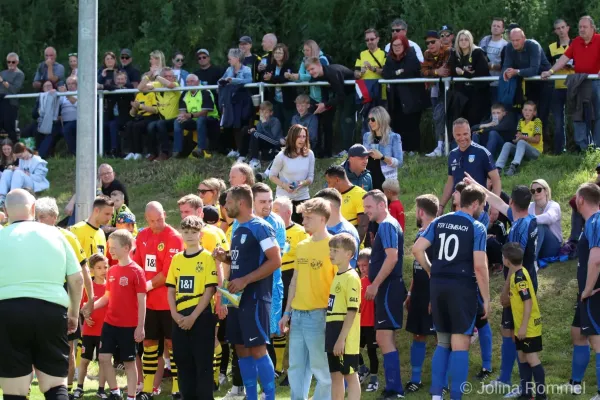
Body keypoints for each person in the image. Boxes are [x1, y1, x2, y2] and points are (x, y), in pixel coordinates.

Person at [0, 189, 83, 400]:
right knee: (56, 386)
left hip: (8, 312)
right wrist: (73, 314)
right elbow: (77, 279)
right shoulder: (57, 235)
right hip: (51, 311)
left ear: (6, 211)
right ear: (34, 209)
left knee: (14, 390)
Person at [412, 184, 489, 400]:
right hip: (461, 288)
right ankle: (456, 396)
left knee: (443, 342)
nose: (482, 209)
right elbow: (480, 266)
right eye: (482, 205)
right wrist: (487, 298)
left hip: (438, 286)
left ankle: (437, 396)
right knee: (460, 345)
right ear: (474, 203)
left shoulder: (438, 221)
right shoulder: (477, 227)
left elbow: (417, 249)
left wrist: (430, 271)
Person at [467, 178, 538, 396]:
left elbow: (514, 265)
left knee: (517, 333)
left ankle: (522, 385)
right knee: (508, 330)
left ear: (514, 203)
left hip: (517, 282)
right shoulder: (530, 219)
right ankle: (506, 379)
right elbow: (499, 203)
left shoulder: (517, 228)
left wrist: (506, 289)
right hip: (527, 278)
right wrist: (478, 186)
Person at [213, 185, 281, 400]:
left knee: (257, 348)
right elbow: (243, 261)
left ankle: (269, 397)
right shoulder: (237, 228)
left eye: (229, 203)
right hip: (236, 299)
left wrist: (245, 280)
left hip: (255, 298)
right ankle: (251, 396)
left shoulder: (260, 227)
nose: (225, 207)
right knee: (241, 347)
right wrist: (225, 257)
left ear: (241, 203)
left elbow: (275, 260)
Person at [278, 198, 333, 400]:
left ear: (322, 218)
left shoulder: (334, 245)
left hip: (320, 314)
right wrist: (287, 313)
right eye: (303, 217)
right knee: (296, 367)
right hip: (298, 316)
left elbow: (339, 283)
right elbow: (294, 281)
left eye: (308, 217)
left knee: (321, 368)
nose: (304, 221)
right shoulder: (301, 245)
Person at [133, 202, 184, 399]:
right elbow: (137, 265)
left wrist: (144, 287)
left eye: (160, 219)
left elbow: (167, 273)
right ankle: (147, 388)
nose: (156, 224)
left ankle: (177, 388)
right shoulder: (143, 235)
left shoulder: (174, 238)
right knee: (149, 343)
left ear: (165, 214)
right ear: (146, 219)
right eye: (152, 221)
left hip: (168, 302)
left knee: (172, 344)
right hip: (148, 304)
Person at [166, 216, 217, 400]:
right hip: (179, 317)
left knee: (202, 363)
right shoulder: (177, 259)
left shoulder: (207, 257)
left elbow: (209, 290)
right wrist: (174, 314)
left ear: (200, 234)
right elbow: (171, 289)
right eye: (186, 232)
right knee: (182, 361)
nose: (189, 236)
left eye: (193, 232)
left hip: (200, 316)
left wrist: (193, 317)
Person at [362, 190, 406, 399]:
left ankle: (394, 389)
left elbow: (392, 257)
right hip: (388, 288)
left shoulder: (387, 224)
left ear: (382, 205)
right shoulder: (386, 225)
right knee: (385, 337)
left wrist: (375, 284)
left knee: (384, 337)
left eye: (369, 207)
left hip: (388, 288)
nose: (366, 211)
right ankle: (393, 387)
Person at [95, 229, 146, 400]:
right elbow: (107, 297)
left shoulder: (136, 271)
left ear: (126, 248)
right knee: (103, 357)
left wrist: (140, 326)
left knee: (129, 363)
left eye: (114, 247)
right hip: (110, 323)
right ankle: (115, 392)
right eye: (110, 247)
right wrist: (91, 307)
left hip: (129, 326)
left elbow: (142, 301)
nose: (111, 251)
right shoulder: (113, 270)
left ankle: (131, 396)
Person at [542, 16, 600, 151]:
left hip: (596, 82)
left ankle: (598, 149)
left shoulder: (599, 39)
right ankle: (584, 148)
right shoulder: (576, 42)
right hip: (579, 83)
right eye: (580, 27)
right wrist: (550, 71)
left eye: (584, 27)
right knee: (579, 114)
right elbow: (564, 58)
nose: (581, 29)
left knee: (597, 115)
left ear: (592, 28)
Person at [502, 243, 546, 400]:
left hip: (528, 327)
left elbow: (527, 302)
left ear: (506, 261)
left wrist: (522, 328)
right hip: (522, 326)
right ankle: (527, 394)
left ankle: (542, 396)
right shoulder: (518, 273)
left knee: (531, 358)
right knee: (521, 357)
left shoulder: (520, 277)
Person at [567, 183, 600, 395]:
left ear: (580, 200)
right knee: (578, 333)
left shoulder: (595, 222)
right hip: (586, 293)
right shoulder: (592, 222)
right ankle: (575, 383)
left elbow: (596, 260)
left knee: (598, 342)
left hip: (593, 292)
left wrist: (587, 290)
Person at [272, 196, 309, 384]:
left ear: (288, 213)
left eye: (276, 210)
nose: (272, 214)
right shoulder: (270, 230)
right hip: (274, 277)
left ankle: (294, 369)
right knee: (277, 321)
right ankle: (277, 367)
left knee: (294, 324)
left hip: (292, 277)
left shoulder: (300, 232)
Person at [404, 195, 438, 393]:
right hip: (418, 293)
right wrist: (410, 291)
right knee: (418, 335)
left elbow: (436, 270)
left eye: (416, 209)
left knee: (438, 338)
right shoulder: (421, 234)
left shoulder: (436, 235)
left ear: (421, 212)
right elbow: (418, 268)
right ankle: (415, 379)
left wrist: (434, 297)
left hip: (432, 294)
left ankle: (441, 381)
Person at [439, 118, 501, 216]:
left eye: (465, 134)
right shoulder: (452, 155)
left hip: (477, 209)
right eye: (458, 135)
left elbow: (496, 179)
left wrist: (495, 206)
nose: (462, 138)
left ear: (470, 133)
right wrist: (441, 206)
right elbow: (450, 182)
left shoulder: (482, 153)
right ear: (453, 135)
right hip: (457, 209)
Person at [327, 233, 362, 400]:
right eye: (330, 250)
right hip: (332, 328)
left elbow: (352, 310)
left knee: (349, 374)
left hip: (345, 333)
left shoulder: (351, 277)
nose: (331, 253)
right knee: (335, 375)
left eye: (335, 250)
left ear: (348, 254)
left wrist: (342, 338)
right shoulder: (337, 275)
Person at [382, 33, 426, 155]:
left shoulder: (411, 54)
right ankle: (402, 150)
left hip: (412, 98)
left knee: (411, 124)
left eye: (399, 44)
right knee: (398, 124)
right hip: (396, 99)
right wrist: (399, 72)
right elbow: (386, 74)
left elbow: (411, 70)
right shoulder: (390, 57)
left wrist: (396, 73)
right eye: (394, 45)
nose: (397, 47)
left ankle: (414, 150)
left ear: (404, 44)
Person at [305, 57, 356, 157]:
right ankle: (343, 149)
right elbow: (325, 93)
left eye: (312, 69)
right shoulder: (319, 75)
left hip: (352, 93)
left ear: (319, 65)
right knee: (338, 122)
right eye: (308, 70)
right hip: (343, 94)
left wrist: (325, 105)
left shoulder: (332, 73)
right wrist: (324, 104)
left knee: (345, 121)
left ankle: (349, 150)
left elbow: (341, 95)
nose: (311, 72)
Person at [74, 254, 109, 399]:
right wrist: (85, 316)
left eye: (105, 267)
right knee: (84, 360)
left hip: (106, 331)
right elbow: (81, 305)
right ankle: (79, 387)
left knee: (103, 361)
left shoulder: (110, 286)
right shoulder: (88, 287)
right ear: (92, 270)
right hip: (89, 331)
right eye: (99, 268)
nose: (103, 270)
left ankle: (101, 389)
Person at [269, 124, 315, 224]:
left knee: (303, 230)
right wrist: (284, 185)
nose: (302, 139)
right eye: (299, 136)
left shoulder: (310, 154)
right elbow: (271, 176)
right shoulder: (281, 156)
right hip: (284, 199)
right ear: (292, 137)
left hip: (303, 198)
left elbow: (311, 177)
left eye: (304, 136)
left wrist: (302, 183)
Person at [448, 30, 491, 127]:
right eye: (461, 40)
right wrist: (467, 73)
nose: (463, 42)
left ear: (471, 40)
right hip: (461, 96)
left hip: (477, 95)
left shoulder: (478, 53)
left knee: (474, 124)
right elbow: (452, 71)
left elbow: (481, 74)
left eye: (466, 39)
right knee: (460, 123)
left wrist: (463, 72)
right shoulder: (454, 54)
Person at [171, 73, 220, 159]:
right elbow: (182, 112)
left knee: (201, 119)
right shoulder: (185, 93)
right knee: (178, 121)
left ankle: (201, 149)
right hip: (194, 119)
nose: (190, 84)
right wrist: (182, 116)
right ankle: (177, 151)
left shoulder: (205, 91)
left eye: (192, 81)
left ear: (198, 82)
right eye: (188, 82)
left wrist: (190, 115)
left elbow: (205, 112)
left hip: (211, 119)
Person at [546, 19, 573, 154]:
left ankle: (580, 149)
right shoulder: (551, 47)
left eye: (563, 27)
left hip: (574, 86)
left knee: (577, 119)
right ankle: (559, 151)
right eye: (558, 28)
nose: (561, 30)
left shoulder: (577, 45)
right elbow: (546, 66)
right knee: (558, 121)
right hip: (557, 87)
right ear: (555, 31)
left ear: (568, 28)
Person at [314, 188, 360, 268]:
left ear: (328, 206)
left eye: (317, 206)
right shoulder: (323, 228)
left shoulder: (346, 232)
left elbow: (345, 269)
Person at [495, 101, 543, 176]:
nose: (527, 112)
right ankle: (498, 168)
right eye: (525, 110)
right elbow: (518, 137)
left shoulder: (537, 121)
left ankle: (514, 166)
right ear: (522, 111)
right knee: (507, 144)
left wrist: (522, 137)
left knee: (521, 142)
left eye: (530, 110)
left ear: (534, 113)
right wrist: (515, 140)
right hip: (523, 152)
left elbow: (537, 140)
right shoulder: (521, 121)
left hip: (535, 152)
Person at [324, 164, 368, 242]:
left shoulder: (360, 195)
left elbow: (363, 226)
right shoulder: (333, 196)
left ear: (337, 180)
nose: (328, 186)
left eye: (329, 182)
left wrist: (354, 248)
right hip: (334, 246)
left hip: (350, 246)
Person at [362, 106, 403, 189]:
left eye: (373, 119)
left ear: (381, 119)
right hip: (368, 178)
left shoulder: (394, 137)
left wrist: (382, 157)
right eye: (368, 120)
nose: (370, 122)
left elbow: (399, 162)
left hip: (386, 180)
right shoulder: (367, 136)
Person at [356, 249, 379, 392]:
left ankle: (374, 379)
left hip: (372, 323)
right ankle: (363, 369)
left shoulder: (376, 281)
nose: (362, 268)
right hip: (359, 323)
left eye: (365, 265)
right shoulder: (358, 281)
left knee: (372, 352)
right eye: (360, 265)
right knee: (352, 349)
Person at [0, 142, 49, 206]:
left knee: (18, 172)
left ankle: (12, 198)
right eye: (19, 157)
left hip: (34, 183)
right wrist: (14, 169)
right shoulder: (21, 159)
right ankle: (2, 197)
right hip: (22, 180)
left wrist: (26, 173)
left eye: (21, 156)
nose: (21, 158)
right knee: (7, 172)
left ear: (25, 150)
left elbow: (39, 179)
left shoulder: (38, 161)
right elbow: (21, 171)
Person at [263, 43, 297, 135]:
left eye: (280, 53)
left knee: (288, 124)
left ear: (284, 54)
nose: (277, 54)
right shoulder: (271, 66)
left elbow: (285, 79)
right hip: (275, 101)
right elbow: (265, 78)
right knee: (277, 124)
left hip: (288, 100)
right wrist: (270, 78)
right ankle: (277, 146)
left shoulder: (289, 65)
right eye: (276, 52)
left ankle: (288, 145)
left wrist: (272, 78)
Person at [529, 179, 562, 259]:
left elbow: (549, 218)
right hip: (536, 244)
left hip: (552, 245)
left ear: (546, 191)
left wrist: (529, 220)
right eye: (533, 191)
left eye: (539, 190)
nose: (536, 192)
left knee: (540, 226)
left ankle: (533, 260)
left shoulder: (554, 205)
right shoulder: (529, 206)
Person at [479, 18, 508, 103]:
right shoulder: (484, 41)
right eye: (494, 25)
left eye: (498, 26)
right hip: (483, 82)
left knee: (496, 109)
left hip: (497, 84)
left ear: (502, 29)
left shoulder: (505, 45)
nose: (495, 28)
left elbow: (505, 66)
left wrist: (490, 66)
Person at [0, 52, 25, 139]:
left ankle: (14, 149)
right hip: (1, 102)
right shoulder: (2, 73)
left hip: (10, 104)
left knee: (9, 129)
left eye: (13, 62)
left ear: (17, 62)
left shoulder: (19, 74)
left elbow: (15, 90)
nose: (10, 64)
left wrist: (3, 82)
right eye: (8, 62)